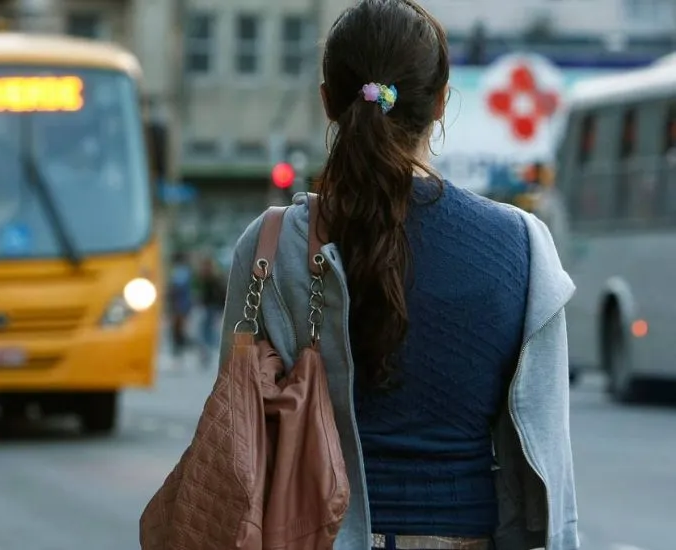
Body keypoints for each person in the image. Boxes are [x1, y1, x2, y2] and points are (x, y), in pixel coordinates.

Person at [218, 1, 578, 549]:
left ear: (327, 103)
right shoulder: (520, 247)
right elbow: (548, 460)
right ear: (439, 102)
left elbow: (236, 435)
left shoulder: (272, 246)